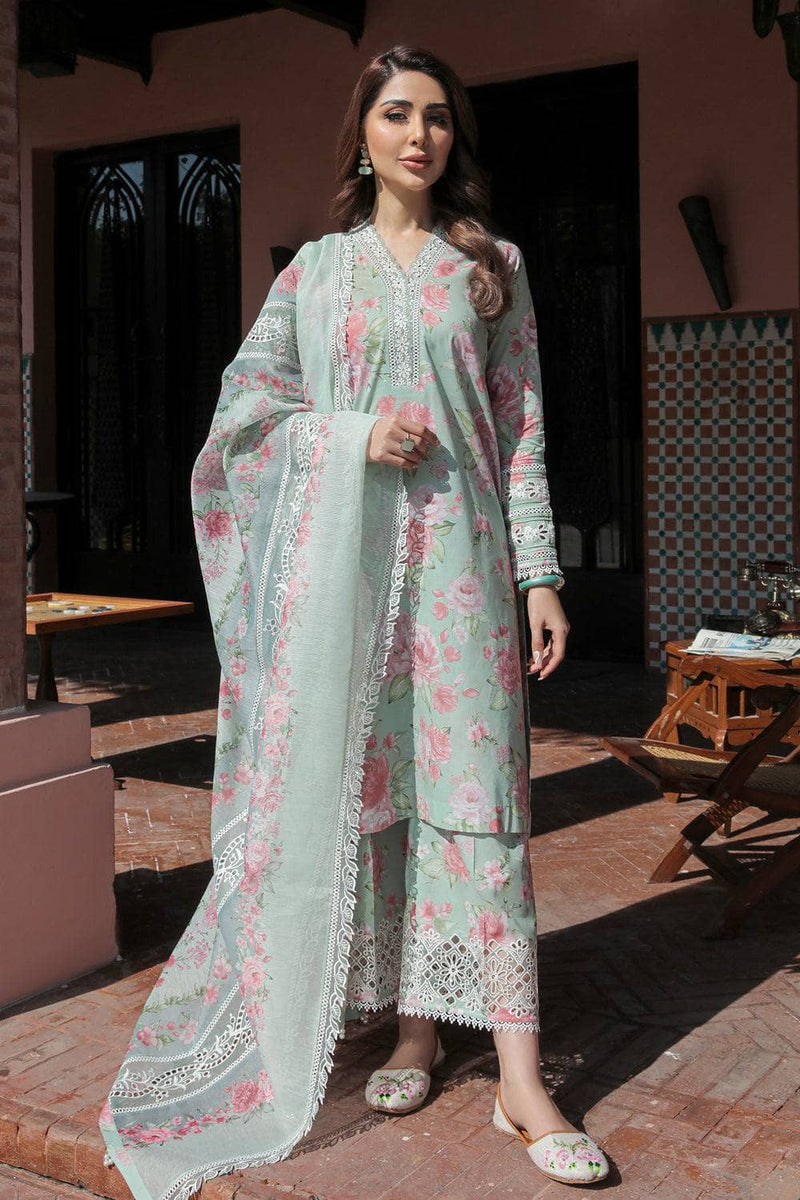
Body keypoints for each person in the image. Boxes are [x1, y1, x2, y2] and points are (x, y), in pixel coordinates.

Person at [98, 43, 609, 1200]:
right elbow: (243, 418)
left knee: (478, 803)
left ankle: (520, 1080)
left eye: (436, 117)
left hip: (464, 576)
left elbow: (520, 430)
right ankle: (415, 1034)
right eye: (395, 115)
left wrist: (540, 574)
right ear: (363, 136)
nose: (418, 134)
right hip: (355, 587)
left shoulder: (491, 268)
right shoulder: (314, 277)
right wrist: (347, 437)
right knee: (381, 804)